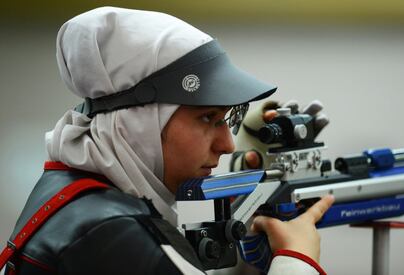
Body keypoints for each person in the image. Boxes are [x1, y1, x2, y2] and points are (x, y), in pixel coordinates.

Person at [1, 6, 334, 275]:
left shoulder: (74, 196)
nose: (228, 145)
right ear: (139, 122)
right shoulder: (113, 232)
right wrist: (296, 260)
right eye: (208, 118)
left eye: (227, 120)